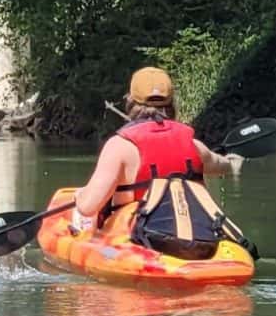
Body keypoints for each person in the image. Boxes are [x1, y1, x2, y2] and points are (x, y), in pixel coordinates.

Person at [68, 67, 245, 256]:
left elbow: (88, 207)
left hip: (140, 236)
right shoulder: (193, 144)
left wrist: (79, 196)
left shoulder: (120, 146)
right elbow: (219, 165)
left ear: (130, 101)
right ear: (171, 103)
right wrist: (233, 163)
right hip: (195, 235)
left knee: (82, 212)